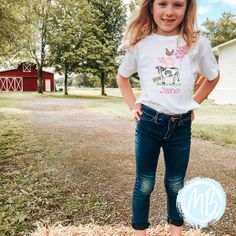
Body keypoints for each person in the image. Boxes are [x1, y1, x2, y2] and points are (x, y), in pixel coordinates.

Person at [116, 0, 220, 236]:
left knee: (175, 184)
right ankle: (139, 231)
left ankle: (175, 231)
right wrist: (133, 106)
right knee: (144, 184)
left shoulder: (197, 42)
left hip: (181, 126)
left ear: (188, 8)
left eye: (177, 5)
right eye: (162, 4)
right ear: (151, 7)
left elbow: (213, 76)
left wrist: (194, 102)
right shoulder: (141, 43)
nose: (169, 12)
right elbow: (122, 77)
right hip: (149, 124)